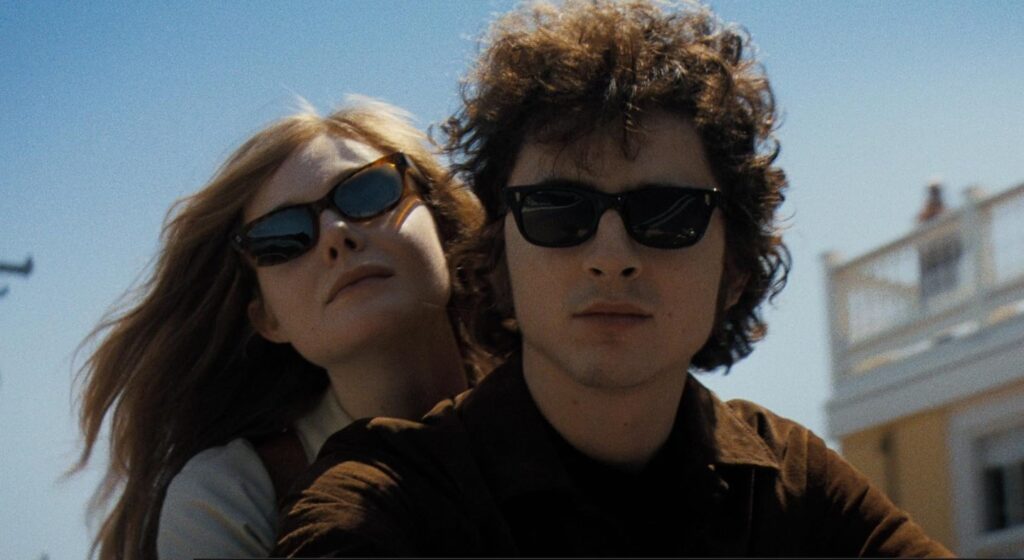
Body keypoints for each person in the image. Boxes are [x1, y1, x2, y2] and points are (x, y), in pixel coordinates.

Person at [274, 1, 953, 557]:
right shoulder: (390, 499)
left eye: (668, 214)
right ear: (497, 263)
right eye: (557, 210)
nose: (611, 253)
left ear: (734, 270)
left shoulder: (791, 485)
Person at [71, 97, 485, 560]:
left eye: (368, 190)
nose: (336, 232)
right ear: (268, 320)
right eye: (283, 236)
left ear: (444, 227)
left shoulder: (553, 397)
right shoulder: (229, 497)